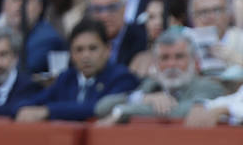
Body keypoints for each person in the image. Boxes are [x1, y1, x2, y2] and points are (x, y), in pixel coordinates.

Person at [16, 19, 140, 122]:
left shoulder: (122, 77)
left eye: (92, 48)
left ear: (108, 50)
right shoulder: (67, 78)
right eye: (79, 50)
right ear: (71, 54)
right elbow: (31, 103)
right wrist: (23, 109)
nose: (86, 56)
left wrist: (48, 111)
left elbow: (98, 107)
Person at [95, 28, 225, 122]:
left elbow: (178, 113)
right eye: (164, 58)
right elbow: (101, 108)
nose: (171, 65)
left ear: (194, 61)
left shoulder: (209, 87)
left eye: (179, 57)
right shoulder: (152, 85)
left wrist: (122, 111)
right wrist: (142, 98)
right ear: (155, 63)